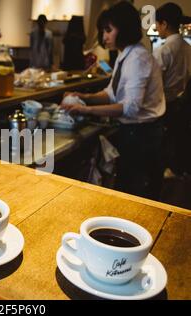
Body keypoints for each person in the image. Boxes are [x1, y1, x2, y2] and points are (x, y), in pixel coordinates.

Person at [60, 1, 166, 200]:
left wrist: (86, 110)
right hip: (134, 132)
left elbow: (131, 108)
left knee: (135, 192)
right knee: (126, 184)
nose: (104, 36)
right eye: (103, 31)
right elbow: (111, 93)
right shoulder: (124, 55)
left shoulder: (138, 58)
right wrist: (86, 97)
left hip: (143, 135)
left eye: (108, 30)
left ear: (124, 28)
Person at [153, 2, 191, 176]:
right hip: (183, 104)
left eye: (157, 23)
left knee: (164, 146)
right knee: (177, 141)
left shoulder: (163, 50)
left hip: (165, 106)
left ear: (164, 24)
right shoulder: (188, 48)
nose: (155, 27)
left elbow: (154, 84)